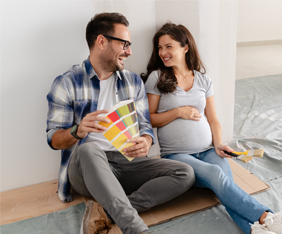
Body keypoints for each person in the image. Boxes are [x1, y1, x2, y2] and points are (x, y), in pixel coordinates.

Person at [141, 23, 282, 234]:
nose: (163, 53)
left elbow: (213, 119)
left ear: (185, 47)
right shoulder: (157, 78)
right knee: (215, 174)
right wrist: (178, 112)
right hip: (178, 155)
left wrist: (219, 144)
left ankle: (254, 230)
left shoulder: (203, 79)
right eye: (160, 48)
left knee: (228, 187)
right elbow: (148, 119)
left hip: (209, 150)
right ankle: (269, 217)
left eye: (169, 46)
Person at [46, 13, 195, 234]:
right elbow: (54, 140)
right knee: (88, 149)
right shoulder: (66, 83)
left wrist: (146, 140)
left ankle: (105, 213)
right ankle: (136, 229)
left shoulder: (133, 81)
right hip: (87, 167)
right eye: (124, 44)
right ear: (101, 41)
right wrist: (78, 131)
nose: (129, 51)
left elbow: (145, 125)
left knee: (185, 173)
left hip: (126, 162)